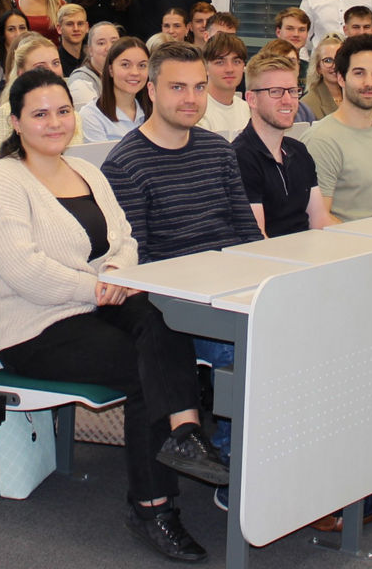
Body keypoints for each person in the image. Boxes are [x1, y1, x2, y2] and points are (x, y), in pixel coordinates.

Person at [0, 68, 228, 562]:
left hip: (95, 306)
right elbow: (25, 271)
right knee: (141, 369)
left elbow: (125, 238)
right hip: (34, 327)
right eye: (40, 114)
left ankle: (186, 434)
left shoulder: (85, 170)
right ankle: (152, 508)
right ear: (16, 122)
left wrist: (115, 270)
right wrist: (99, 287)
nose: (54, 123)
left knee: (162, 319)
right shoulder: (0, 183)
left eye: (63, 111)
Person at [102, 40, 263, 465]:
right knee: (246, 351)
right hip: (181, 308)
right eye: (177, 88)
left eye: (198, 87)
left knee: (305, 329)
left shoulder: (217, 150)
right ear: (151, 90)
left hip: (232, 291)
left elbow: (247, 235)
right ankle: (237, 468)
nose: (191, 99)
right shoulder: (125, 165)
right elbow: (144, 264)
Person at [302, 33, 372, 223]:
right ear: (341, 78)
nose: (369, 83)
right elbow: (318, 219)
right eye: (359, 73)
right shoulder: (321, 139)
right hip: (349, 245)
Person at [237, 52, 327, 238]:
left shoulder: (299, 151)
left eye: (293, 91)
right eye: (276, 92)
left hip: (309, 255)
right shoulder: (240, 157)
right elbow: (257, 238)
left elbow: (320, 220)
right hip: (274, 262)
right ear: (252, 99)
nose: (288, 100)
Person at [0, 33, 79, 151]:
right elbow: (0, 163)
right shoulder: (4, 116)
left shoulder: (73, 115)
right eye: (40, 66)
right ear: (21, 73)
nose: (52, 71)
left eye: (56, 63)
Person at [83, 36, 151, 144]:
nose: (135, 72)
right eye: (125, 65)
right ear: (110, 70)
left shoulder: (155, 112)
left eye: (142, 65)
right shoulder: (92, 115)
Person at [195, 32, 251, 139]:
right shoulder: (197, 109)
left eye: (236, 61)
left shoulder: (246, 109)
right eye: (220, 62)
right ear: (205, 67)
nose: (230, 69)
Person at [256, 39, 316, 122]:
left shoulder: (305, 111)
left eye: (292, 61)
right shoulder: (258, 107)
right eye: (281, 61)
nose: (288, 67)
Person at [0, 10, 32, 108]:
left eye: (22, 28)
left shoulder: (33, 58)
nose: (18, 34)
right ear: (3, 34)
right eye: (11, 29)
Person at [69, 21, 121, 109]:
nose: (109, 48)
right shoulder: (80, 82)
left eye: (114, 42)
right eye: (101, 43)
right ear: (90, 50)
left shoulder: (124, 76)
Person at [302, 33, 344, 119]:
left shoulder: (355, 96)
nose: (335, 66)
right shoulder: (307, 104)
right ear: (318, 68)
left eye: (339, 59)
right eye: (328, 60)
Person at [272, 6, 312, 82]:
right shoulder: (264, 66)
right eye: (290, 28)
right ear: (278, 32)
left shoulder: (312, 71)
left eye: (302, 30)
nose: (296, 34)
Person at [55, 3, 90, 76]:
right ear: (59, 28)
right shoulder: (55, 62)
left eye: (80, 24)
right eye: (69, 24)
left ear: (87, 27)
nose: (76, 29)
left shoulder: (93, 60)